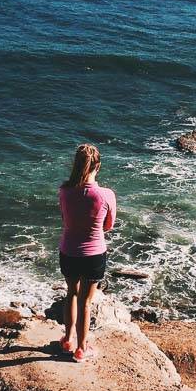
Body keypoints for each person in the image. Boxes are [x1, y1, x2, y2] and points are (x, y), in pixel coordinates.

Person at [58, 143, 116, 363]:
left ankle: (67, 340)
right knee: (86, 302)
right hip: (94, 254)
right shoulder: (106, 195)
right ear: (97, 166)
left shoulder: (64, 192)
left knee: (71, 294)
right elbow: (108, 226)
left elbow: (65, 219)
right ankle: (81, 349)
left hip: (68, 251)